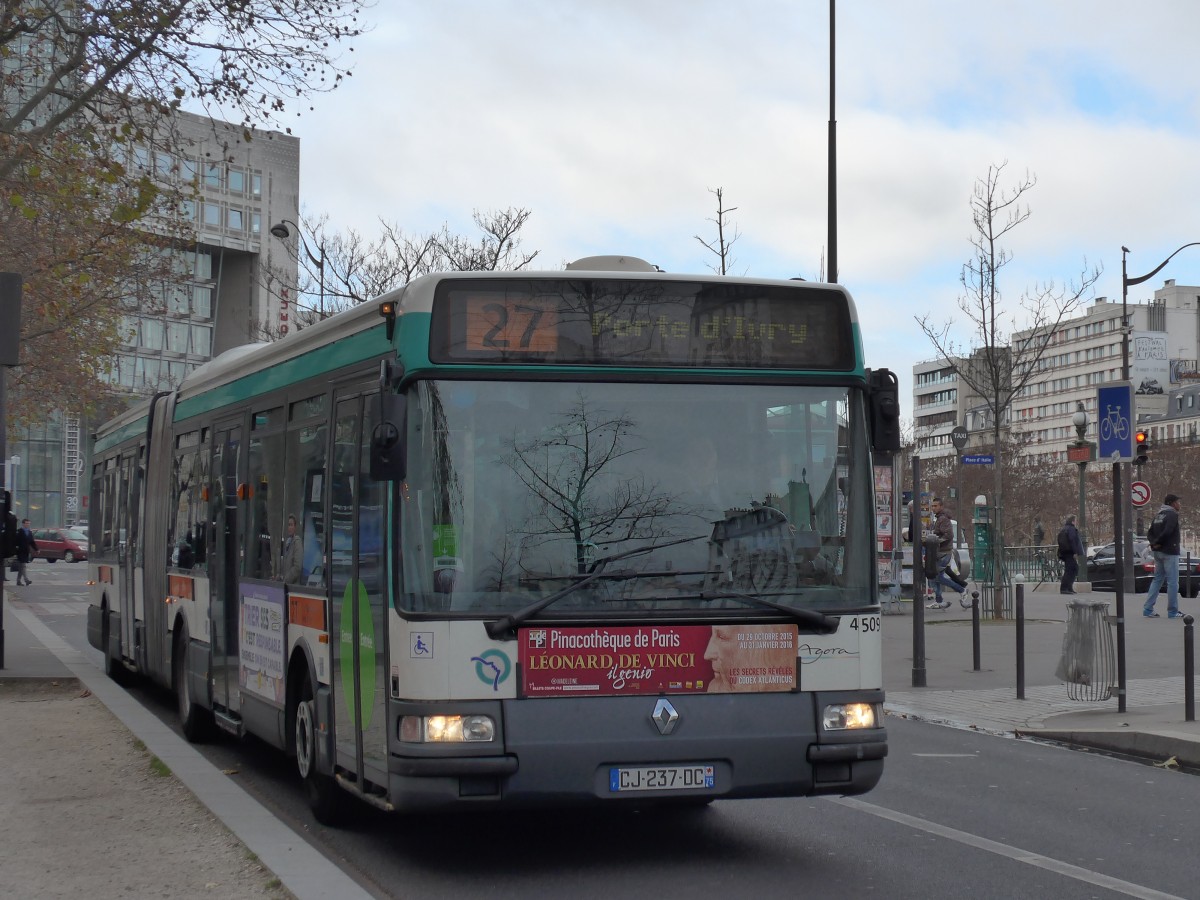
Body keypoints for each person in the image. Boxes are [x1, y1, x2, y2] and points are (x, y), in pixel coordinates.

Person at [1143, 493, 1184, 619]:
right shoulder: (1172, 515)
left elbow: (1150, 532)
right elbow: (1168, 530)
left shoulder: (1158, 515)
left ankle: (1148, 609)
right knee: (1173, 582)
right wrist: (1159, 542)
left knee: (1157, 579)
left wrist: (1154, 544)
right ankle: (1173, 611)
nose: (1179, 504)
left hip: (1158, 552)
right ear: (1172, 503)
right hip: (1169, 551)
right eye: (1178, 502)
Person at [925, 497, 967, 610]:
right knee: (935, 576)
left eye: (936, 506)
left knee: (938, 577)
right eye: (932, 506)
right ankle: (939, 601)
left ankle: (962, 590)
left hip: (944, 552)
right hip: (940, 552)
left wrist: (936, 542)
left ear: (941, 507)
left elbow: (948, 535)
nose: (933, 508)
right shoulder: (939, 518)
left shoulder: (943, 519)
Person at [1056, 515, 1085, 595]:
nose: (1076, 522)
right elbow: (1072, 540)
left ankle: (1069, 587)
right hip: (1070, 552)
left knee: (1073, 568)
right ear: (1072, 521)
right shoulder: (1071, 529)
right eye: (1075, 520)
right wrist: (1075, 552)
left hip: (1065, 552)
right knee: (1070, 570)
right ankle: (1065, 588)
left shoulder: (1064, 529)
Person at [278, 513, 303, 584]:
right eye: (288, 525)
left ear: (295, 527)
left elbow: (297, 567)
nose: (289, 528)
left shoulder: (297, 542)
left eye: (291, 525)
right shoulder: (287, 543)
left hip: (292, 587)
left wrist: (286, 580)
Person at [14, 518, 38, 586]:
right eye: (26, 523)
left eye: (29, 523)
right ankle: (26, 580)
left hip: (26, 551)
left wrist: (37, 549)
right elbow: (15, 541)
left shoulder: (29, 532)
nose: (28, 525)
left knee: (21, 567)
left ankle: (18, 581)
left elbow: (32, 542)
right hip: (20, 551)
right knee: (23, 565)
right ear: (23, 524)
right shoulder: (19, 531)